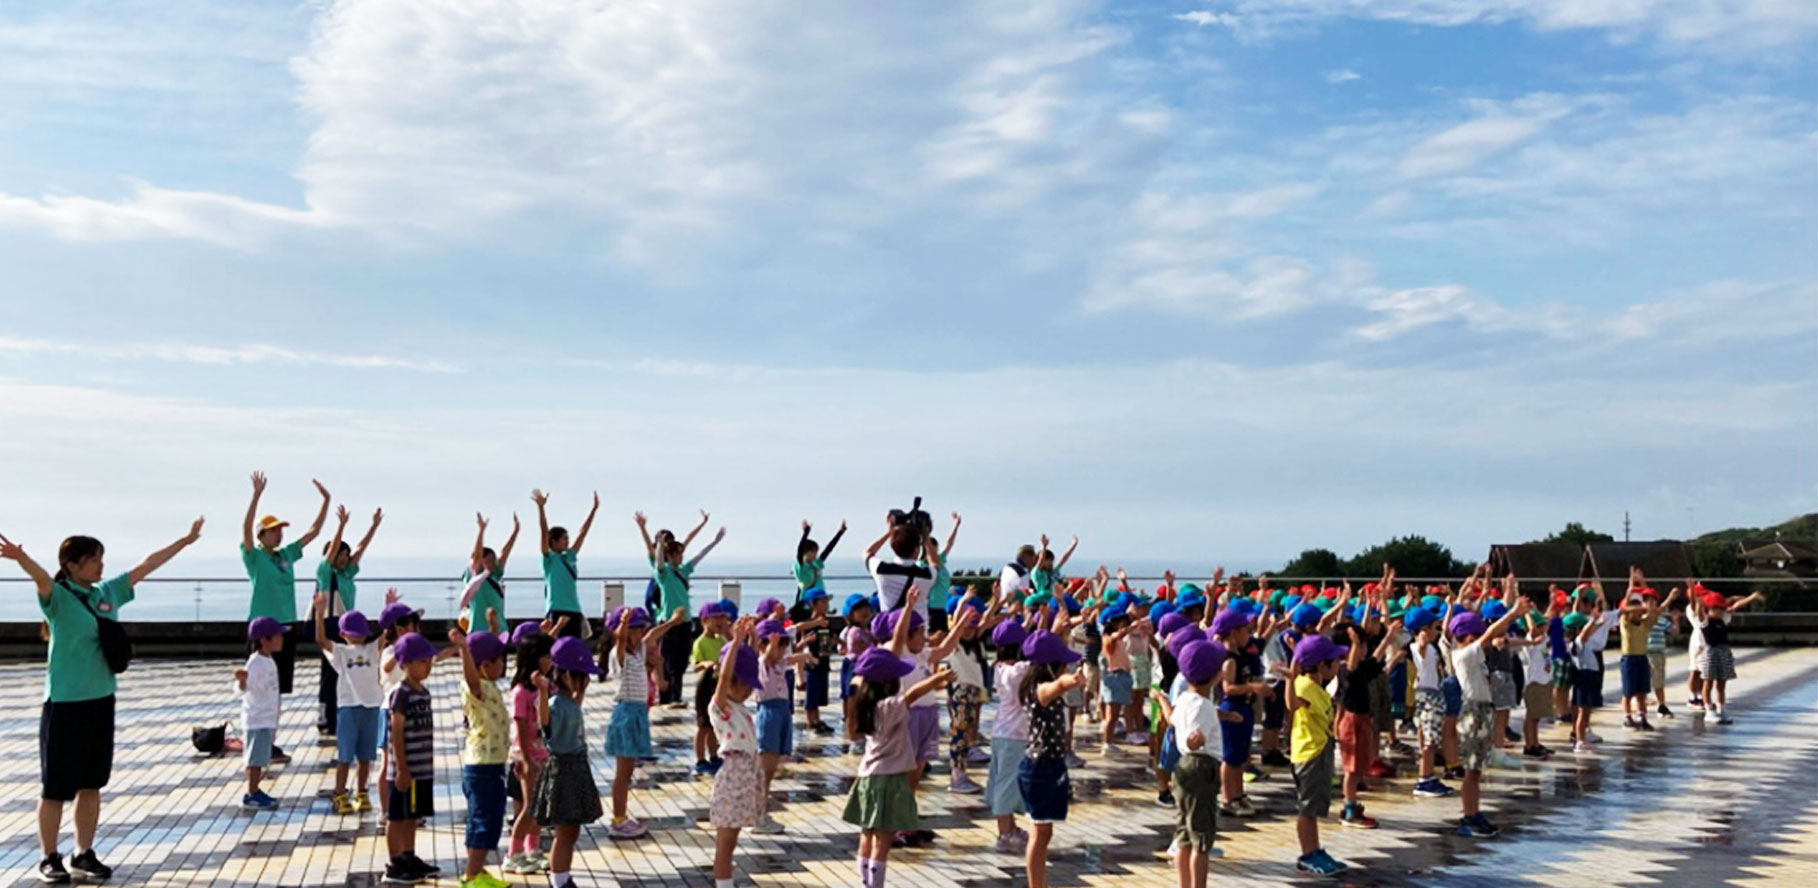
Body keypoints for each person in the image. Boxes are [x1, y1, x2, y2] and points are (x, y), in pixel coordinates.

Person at [3, 520, 202, 884]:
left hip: (101, 701)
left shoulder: (106, 593)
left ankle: (83, 852)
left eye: (100, 559)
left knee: (91, 784)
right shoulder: (59, 599)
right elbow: (42, 578)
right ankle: (49, 857)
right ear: (73, 566)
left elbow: (145, 566)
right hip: (64, 705)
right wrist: (20, 558)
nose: (100, 566)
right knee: (55, 789)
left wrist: (184, 542)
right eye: (93, 560)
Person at [842, 590, 957, 888]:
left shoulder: (866, 708)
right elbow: (912, 694)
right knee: (882, 841)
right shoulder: (890, 707)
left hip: (866, 780)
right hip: (889, 781)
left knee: (866, 836)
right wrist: (936, 679)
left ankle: (864, 881)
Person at [241, 473, 332, 719]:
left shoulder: (285, 555)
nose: (278, 534)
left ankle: (272, 737)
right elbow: (246, 531)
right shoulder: (255, 557)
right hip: (262, 627)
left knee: (278, 685)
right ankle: (258, 730)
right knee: (258, 684)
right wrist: (256, 496)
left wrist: (326, 502)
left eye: (280, 530)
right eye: (273, 531)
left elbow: (313, 533)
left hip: (286, 625)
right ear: (262, 535)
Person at [1448, 598, 1532, 838]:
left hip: (1483, 709)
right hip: (1472, 712)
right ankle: (1468, 816)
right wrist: (1514, 613)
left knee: (1476, 771)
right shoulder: (1463, 654)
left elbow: (1494, 638)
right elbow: (1492, 633)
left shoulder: (1475, 656)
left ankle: (1474, 813)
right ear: (1468, 636)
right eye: (1477, 634)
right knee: (1471, 770)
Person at [604, 606, 687, 839]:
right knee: (622, 773)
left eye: (641, 628)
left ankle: (621, 817)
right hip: (626, 713)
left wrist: (672, 621)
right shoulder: (617, 654)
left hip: (638, 712)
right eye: (636, 629)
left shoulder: (639, 651)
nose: (641, 633)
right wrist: (624, 624)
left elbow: (653, 636)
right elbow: (620, 640)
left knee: (628, 771)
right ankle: (618, 819)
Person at [1017, 624, 1087, 888]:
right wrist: (1072, 681)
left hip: (1049, 767)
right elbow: (1057, 685)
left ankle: (1040, 883)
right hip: (1039, 769)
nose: (1065, 669)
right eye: (1062, 664)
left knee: (1044, 831)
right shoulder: (1040, 690)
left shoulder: (1037, 685)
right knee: (1040, 832)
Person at [533, 637, 605, 888]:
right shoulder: (554, 703)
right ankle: (559, 880)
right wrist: (542, 690)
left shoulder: (571, 701)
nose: (586, 680)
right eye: (582, 676)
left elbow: (575, 707)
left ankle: (563, 877)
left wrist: (580, 689)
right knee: (565, 831)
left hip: (576, 768)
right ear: (565, 676)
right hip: (564, 770)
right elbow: (544, 723)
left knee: (572, 830)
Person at [637, 512, 726, 707]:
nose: (681, 557)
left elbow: (698, 555)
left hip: (685, 622)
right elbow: (659, 561)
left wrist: (714, 541)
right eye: (677, 554)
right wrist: (657, 542)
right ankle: (667, 696)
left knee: (681, 661)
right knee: (667, 660)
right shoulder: (663, 574)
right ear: (670, 555)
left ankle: (675, 696)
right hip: (668, 622)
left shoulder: (683, 571)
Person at [447, 626, 512, 888]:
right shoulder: (476, 688)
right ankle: (471, 875)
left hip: (494, 765)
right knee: (482, 820)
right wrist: (463, 650)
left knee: (492, 819)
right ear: (485, 665)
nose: (504, 665)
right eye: (500, 660)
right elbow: (472, 678)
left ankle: (479, 871)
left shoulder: (491, 685)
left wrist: (493, 625)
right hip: (481, 767)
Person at [314, 505, 382, 738]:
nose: (344, 559)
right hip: (331, 623)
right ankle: (325, 718)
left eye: (345, 555)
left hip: (346, 626)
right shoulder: (325, 572)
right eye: (340, 555)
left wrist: (373, 526)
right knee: (329, 673)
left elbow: (361, 549)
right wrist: (341, 526)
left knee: (345, 671)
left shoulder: (346, 573)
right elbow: (331, 552)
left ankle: (341, 714)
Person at [708, 618, 767, 888]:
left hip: (747, 775)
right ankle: (723, 884)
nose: (746, 690)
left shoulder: (739, 706)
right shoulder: (721, 707)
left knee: (733, 839)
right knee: (726, 841)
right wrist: (735, 642)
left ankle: (726, 881)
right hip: (733, 777)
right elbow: (724, 675)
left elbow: (749, 661)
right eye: (742, 684)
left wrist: (750, 639)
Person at [314, 593, 383, 815]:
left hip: (371, 707)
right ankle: (340, 793)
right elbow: (321, 640)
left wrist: (389, 608)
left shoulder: (372, 650)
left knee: (366, 756)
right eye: (353, 634)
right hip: (348, 707)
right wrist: (319, 613)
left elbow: (386, 637)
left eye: (361, 634)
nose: (358, 638)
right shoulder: (340, 652)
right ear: (343, 634)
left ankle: (362, 792)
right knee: (344, 756)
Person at [1286, 634, 1349, 877]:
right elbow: (1291, 704)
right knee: (1307, 809)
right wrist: (1291, 675)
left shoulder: (1316, 687)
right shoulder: (1303, 685)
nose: (1338, 665)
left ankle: (1315, 849)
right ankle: (1307, 854)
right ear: (1322, 665)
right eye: (1334, 661)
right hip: (1309, 754)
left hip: (1320, 750)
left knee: (1315, 807)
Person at [1171, 639, 1230, 888]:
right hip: (1201, 766)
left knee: (1184, 832)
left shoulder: (1185, 698)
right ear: (1216, 675)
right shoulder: (1203, 705)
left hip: (1183, 765)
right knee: (1202, 838)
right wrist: (1194, 741)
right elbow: (1193, 736)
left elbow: (1173, 720)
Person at [384, 632, 441, 885]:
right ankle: (395, 862)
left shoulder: (424, 692)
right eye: (421, 661)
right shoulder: (401, 693)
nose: (427, 666)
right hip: (405, 769)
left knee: (413, 814)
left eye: (429, 661)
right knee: (397, 816)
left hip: (422, 769)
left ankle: (409, 855)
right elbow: (396, 731)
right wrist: (401, 768)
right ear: (405, 664)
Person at [1336, 621, 1404, 829]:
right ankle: (1349, 809)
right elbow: (1353, 664)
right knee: (1352, 768)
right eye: (1361, 644)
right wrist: (1355, 643)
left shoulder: (1361, 668)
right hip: (1352, 721)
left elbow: (1376, 659)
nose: (1365, 648)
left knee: (1358, 768)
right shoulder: (1345, 669)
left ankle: (1352, 803)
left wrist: (1388, 637)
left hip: (1361, 719)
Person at [754, 617, 814, 833]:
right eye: (778, 646)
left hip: (782, 712)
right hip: (769, 713)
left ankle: (761, 812)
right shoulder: (761, 663)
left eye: (782, 646)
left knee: (771, 770)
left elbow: (789, 658)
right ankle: (758, 814)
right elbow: (768, 655)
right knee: (765, 769)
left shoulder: (779, 663)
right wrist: (770, 643)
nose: (780, 651)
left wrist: (804, 654)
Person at [503, 626, 553, 876]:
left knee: (539, 806)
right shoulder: (520, 692)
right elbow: (521, 726)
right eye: (547, 656)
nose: (550, 661)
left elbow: (545, 721)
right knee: (529, 805)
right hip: (526, 755)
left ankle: (532, 849)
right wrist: (524, 757)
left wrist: (543, 690)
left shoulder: (541, 687)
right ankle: (513, 853)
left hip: (542, 754)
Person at [986, 618, 1031, 854]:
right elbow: (1039, 654)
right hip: (1015, 734)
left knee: (1003, 780)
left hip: (1000, 732)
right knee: (1006, 784)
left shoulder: (1000, 668)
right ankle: (1004, 834)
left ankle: (1011, 828)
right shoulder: (1018, 671)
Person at [531, 489, 599, 637]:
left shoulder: (570, 556)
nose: (568, 541)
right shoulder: (548, 559)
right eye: (564, 538)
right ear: (554, 542)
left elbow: (583, 532)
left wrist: (593, 510)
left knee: (573, 646)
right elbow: (543, 532)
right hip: (556, 609)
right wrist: (541, 508)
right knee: (556, 646)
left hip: (574, 609)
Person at [237, 617, 288, 811]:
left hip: (266, 718)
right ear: (264, 639)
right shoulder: (256, 662)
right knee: (255, 759)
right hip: (257, 719)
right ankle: (252, 793)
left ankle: (255, 790)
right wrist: (242, 681)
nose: (281, 639)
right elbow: (244, 687)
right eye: (277, 636)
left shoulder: (268, 660)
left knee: (261, 757)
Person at [1692, 589, 1763, 724]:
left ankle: (1721, 708)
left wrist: (1752, 597)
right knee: (1708, 682)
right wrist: (1700, 602)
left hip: (1723, 651)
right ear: (1709, 609)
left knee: (1722, 683)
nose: (1719, 611)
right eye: (1715, 608)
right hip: (1710, 652)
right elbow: (1699, 614)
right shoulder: (1705, 622)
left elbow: (1736, 606)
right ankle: (1709, 710)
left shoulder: (1723, 619)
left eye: (1720, 608)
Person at [1618, 586, 1677, 731]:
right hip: (1629, 659)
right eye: (1635, 611)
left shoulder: (1644, 624)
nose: (1638, 613)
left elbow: (1656, 611)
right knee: (1628, 691)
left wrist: (1670, 598)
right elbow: (1624, 610)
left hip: (1642, 658)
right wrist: (1629, 591)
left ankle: (1642, 717)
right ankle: (1627, 717)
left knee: (1642, 692)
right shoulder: (1625, 624)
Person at [691, 601, 735, 776]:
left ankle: (714, 755)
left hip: (718, 685)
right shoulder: (700, 643)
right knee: (703, 726)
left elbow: (733, 648)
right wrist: (705, 664)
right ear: (704, 621)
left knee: (714, 724)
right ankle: (700, 759)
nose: (719, 621)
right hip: (705, 685)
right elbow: (694, 665)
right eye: (715, 618)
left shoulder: (721, 640)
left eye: (721, 618)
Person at [460, 512, 520, 634]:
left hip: (500, 629)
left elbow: (504, 554)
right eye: (491, 560)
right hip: (479, 629)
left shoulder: (494, 575)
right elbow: (477, 556)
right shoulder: (473, 576)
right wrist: (481, 531)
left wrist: (515, 532)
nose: (494, 563)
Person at [797, 587, 838, 736]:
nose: (826, 604)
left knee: (820, 694)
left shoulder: (826, 622)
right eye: (823, 601)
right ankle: (810, 721)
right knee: (812, 695)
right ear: (813, 604)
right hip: (812, 664)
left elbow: (833, 636)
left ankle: (817, 720)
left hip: (824, 662)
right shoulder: (809, 624)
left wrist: (841, 643)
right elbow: (801, 643)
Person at [792, 518, 849, 612]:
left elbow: (828, 550)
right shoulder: (801, 565)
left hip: (819, 601)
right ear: (806, 553)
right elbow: (800, 549)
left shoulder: (815, 564)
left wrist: (840, 533)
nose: (815, 555)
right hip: (807, 604)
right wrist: (806, 532)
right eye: (813, 552)